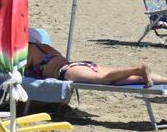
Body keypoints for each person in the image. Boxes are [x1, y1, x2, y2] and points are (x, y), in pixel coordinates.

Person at [25, 29, 165, 87]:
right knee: (121, 78)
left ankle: (138, 69)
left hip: (66, 71)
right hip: (79, 65)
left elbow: (21, 71)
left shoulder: (29, 51)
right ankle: (163, 79)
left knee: (105, 80)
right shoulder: (45, 47)